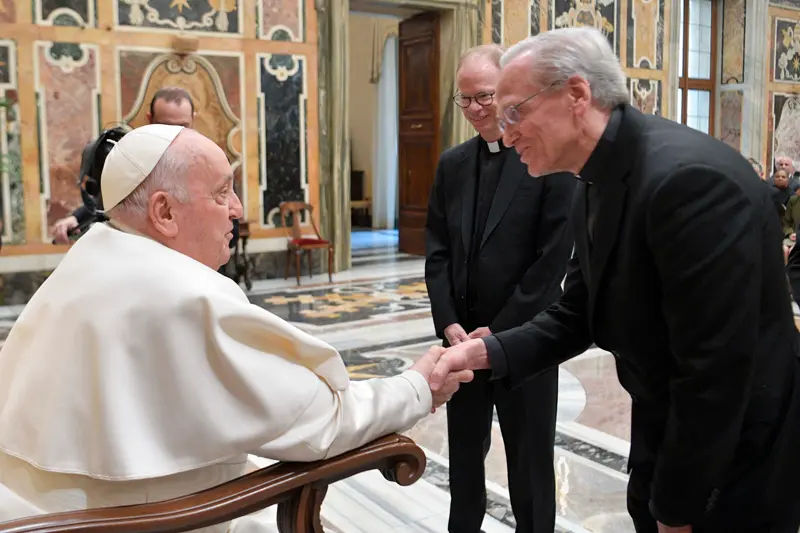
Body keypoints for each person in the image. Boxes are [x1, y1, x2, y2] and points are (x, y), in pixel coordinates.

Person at [0, 124, 472, 532]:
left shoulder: (93, 252)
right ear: (164, 212)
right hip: (152, 520)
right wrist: (418, 387)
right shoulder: (183, 294)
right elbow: (320, 423)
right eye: (222, 191)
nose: (239, 209)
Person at [430, 27, 800, 533]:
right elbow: (580, 311)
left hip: (731, 461)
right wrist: (484, 353)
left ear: (576, 95)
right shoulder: (594, 179)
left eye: (515, 110)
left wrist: (675, 506)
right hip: (663, 429)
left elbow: (715, 374)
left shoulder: (689, 183)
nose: (505, 129)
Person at [425, 44, 574, 533]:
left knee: (530, 467)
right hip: (461, 343)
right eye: (463, 100)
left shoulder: (545, 159)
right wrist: (449, 322)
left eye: (484, 96)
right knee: (464, 464)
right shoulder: (452, 164)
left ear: (507, 88)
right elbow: (439, 250)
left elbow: (551, 261)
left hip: (524, 343)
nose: (475, 110)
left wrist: (503, 332)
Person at [50, 87, 199, 245]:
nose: (174, 134)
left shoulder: (209, 162)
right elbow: (112, 201)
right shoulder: (133, 158)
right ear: (150, 119)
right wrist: (76, 218)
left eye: (182, 126)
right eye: (165, 126)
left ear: (193, 120)